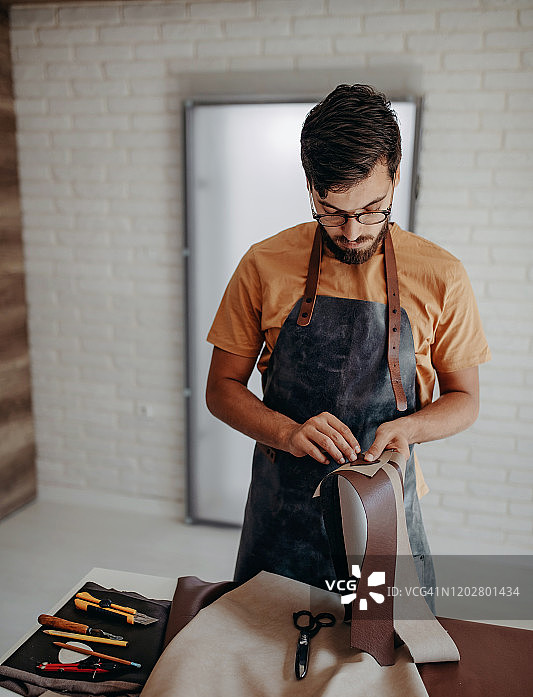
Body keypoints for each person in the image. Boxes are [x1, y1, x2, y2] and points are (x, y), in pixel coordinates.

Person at [205, 84, 490, 597]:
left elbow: (465, 400)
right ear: (311, 186)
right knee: (264, 654)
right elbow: (222, 388)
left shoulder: (442, 274)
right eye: (332, 210)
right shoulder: (262, 264)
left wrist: (408, 430)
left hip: (383, 509)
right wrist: (289, 434)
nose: (353, 230)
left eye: (372, 207)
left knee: (385, 649)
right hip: (281, 508)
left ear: (396, 177)